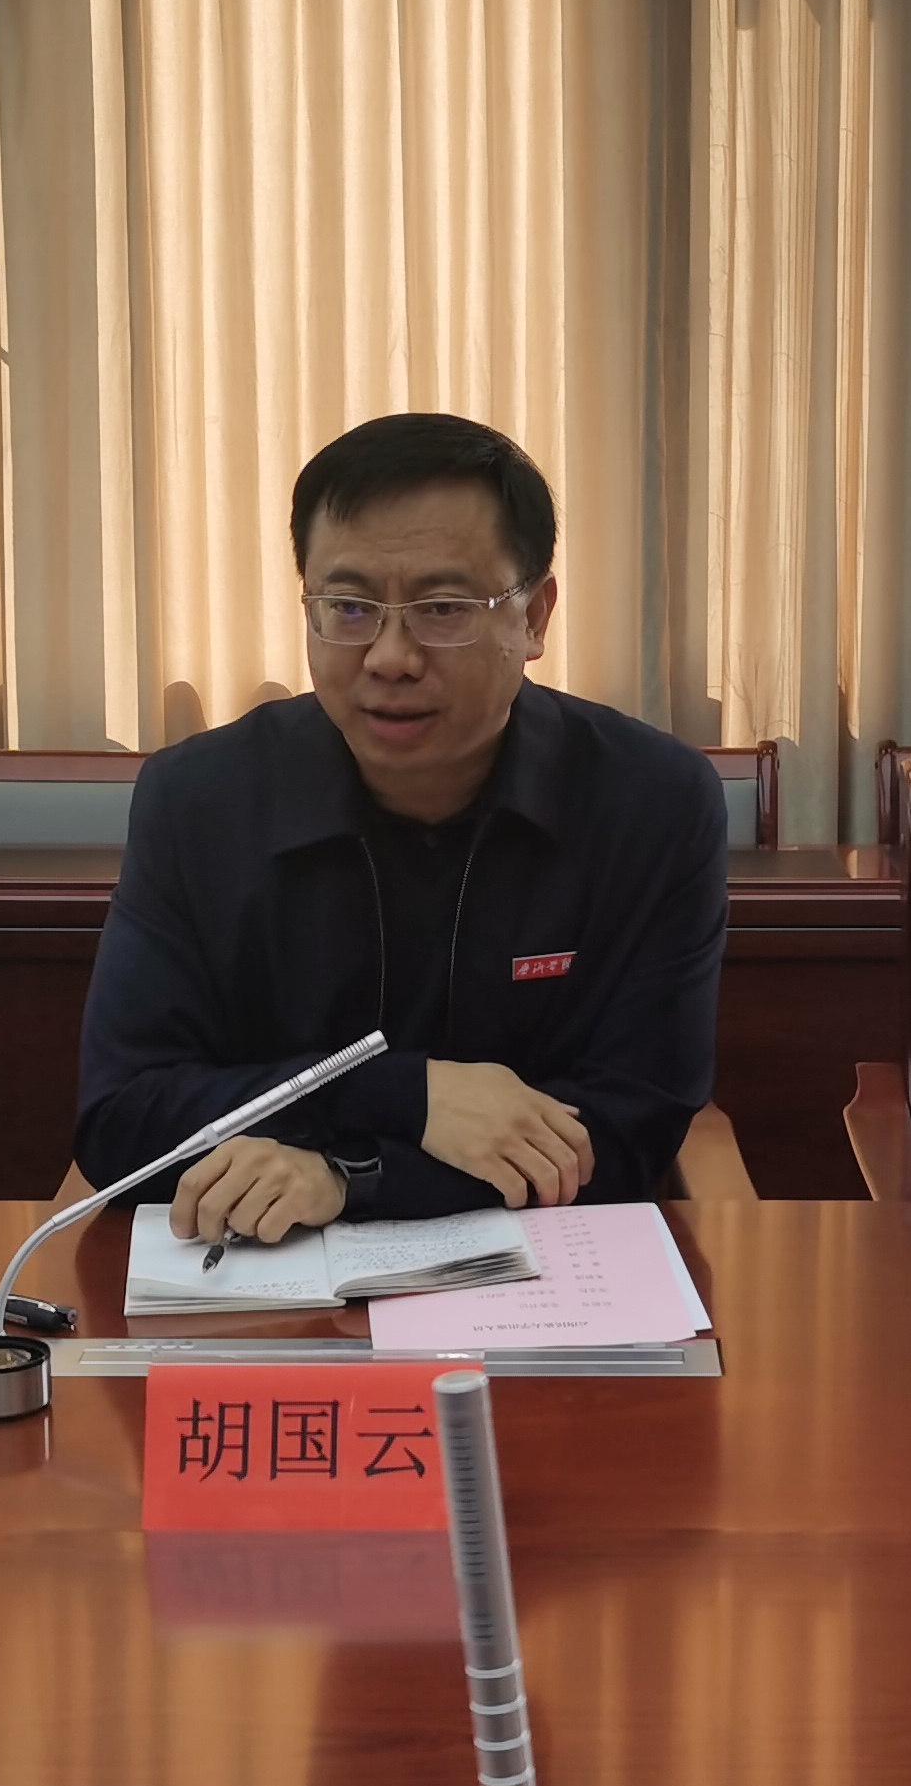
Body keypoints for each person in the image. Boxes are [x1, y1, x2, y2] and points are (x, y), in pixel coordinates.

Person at [74, 414, 728, 1242]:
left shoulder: (652, 804)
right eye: (348, 607)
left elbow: (628, 1132)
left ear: (535, 617)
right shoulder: (199, 800)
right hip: (266, 1286)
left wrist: (349, 1177)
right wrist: (407, 1095)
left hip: (546, 1278)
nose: (388, 657)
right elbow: (124, 1119)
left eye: (442, 608)